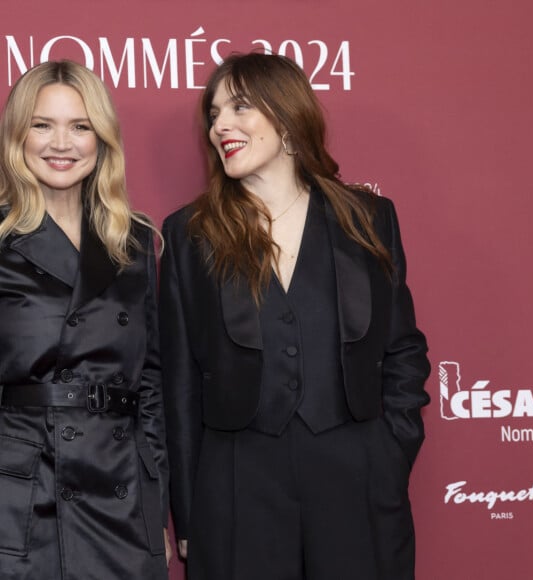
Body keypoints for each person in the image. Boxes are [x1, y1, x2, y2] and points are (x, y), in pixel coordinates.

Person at [160, 52, 430, 580]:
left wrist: (388, 456)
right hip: (236, 484)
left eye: (239, 107)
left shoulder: (368, 219)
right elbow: (180, 382)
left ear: (285, 116)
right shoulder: (188, 234)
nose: (221, 126)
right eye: (213, 114)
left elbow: (403, 349)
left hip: (357, 477)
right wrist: (190, 511)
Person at [0, 60, 171, 580]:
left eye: (80, 126)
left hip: (120, 497)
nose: (62, 143)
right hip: (20, 494)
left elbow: (151, 383)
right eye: (42, 124)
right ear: (18, 135)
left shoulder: (135, 241)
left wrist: (154, 497)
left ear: (102, 139)